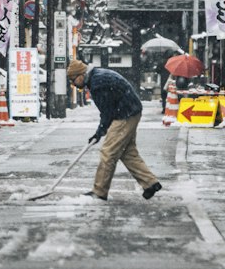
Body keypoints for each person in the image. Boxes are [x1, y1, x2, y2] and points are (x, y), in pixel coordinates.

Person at [66, 59, 161, 202]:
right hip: (131, 111)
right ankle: (150, 183)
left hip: (124, 115)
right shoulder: (97, 76)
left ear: (80, 75)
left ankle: (99, 191)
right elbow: (108, 110)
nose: (73, 84)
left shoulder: (98, 83)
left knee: (108, 152)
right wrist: (100, 132)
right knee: (127, 152)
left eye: (73, 80)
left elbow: (107, 112)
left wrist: (99, 133)